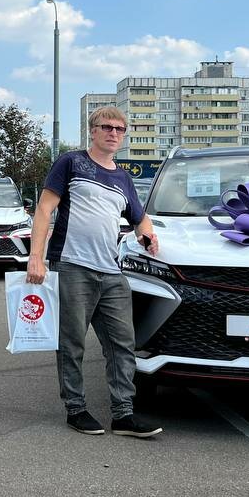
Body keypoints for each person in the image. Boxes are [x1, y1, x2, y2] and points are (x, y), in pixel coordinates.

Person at [25, 105, 162, 438]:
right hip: (72, 265)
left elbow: (139, 218)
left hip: (111, 272)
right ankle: (76, 409)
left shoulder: (123, 178)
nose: (113, 133)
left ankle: (123, 414)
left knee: (122, 344)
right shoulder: (71, 163)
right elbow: (44, 209)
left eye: (119, 129)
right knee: (72, 342)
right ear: (93, 130)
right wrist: (35, 257)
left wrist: (148, 235)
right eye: (106, 127)